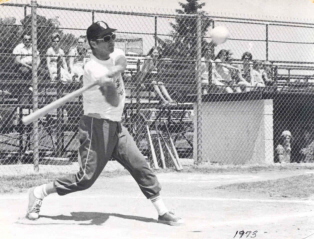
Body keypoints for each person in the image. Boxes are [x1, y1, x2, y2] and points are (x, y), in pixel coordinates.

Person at [26, 21, 184, 226]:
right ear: (93, 43)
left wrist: (113, 71)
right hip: (96, 126)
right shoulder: (91, 68)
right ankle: (38, 192)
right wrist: (106, 83)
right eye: (106, 38)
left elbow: (122, 61)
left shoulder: (115, 52)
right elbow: (113, 99)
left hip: (117, 126)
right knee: (85, 179)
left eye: (112, 37)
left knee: (141, 166)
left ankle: (162, 212)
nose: (111, 42)